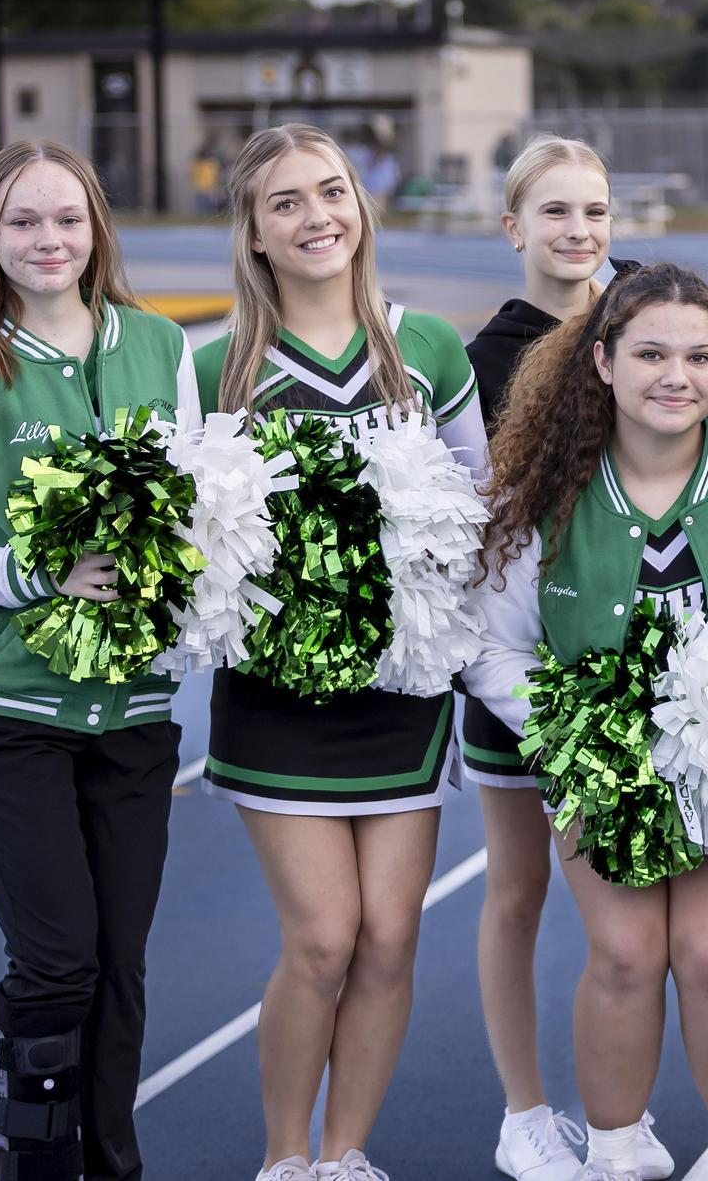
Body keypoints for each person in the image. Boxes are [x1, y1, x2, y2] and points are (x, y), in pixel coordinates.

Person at [468, 263, 708, 1181]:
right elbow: (492, 647)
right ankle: (611, 1153)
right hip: (601, 766)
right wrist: (577, 727)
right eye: (649, 353)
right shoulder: (545, 490)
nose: (675, 374)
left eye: (698, 354)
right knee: (628, 952)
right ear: (600, 361)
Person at [0, 139, 200, 1181]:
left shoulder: (163, 348)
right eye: (23, 222)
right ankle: (25, 1165)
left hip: (136, 718)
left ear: (97, 229)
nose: (48, 240)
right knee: (57, 961)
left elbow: (204, 506)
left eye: (66, 219)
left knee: (119, 970)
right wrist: (40, 572)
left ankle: (112, 1166)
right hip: (6, 715)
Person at [196, 122, 488, 1181]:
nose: (316, 216)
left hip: (402, 691)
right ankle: (285, 1157)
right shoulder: (216, 364)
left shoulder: (429, 351)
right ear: (257, 234)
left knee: (391, 939)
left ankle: (347, 1151)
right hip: (276, 695)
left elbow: (479, 511)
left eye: (332, 193)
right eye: (287, 203)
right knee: (323, 938)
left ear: (361, 209)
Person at [459, 135, 673, 1181]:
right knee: (519, 888)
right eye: (554, 213)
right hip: (527, 665)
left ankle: (622, 1108)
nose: (578, 231)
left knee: (638, 901)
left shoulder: (651, 316)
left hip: (644, 659)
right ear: (513, 228)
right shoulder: (489, 358)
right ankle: (525, 1109)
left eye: (593, 211)